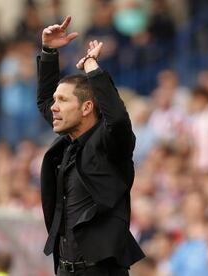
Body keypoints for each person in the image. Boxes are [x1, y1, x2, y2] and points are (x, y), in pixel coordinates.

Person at [37, 16, 145, 275]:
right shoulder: (68, 143)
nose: (54, 107)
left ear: (87, 107)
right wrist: (49, 52)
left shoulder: (110, 145)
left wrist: (92, 67)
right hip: (65, 269)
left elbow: (117, 119)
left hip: (101, 270)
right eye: (56, 100)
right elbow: (44, 103)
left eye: (62, 100)